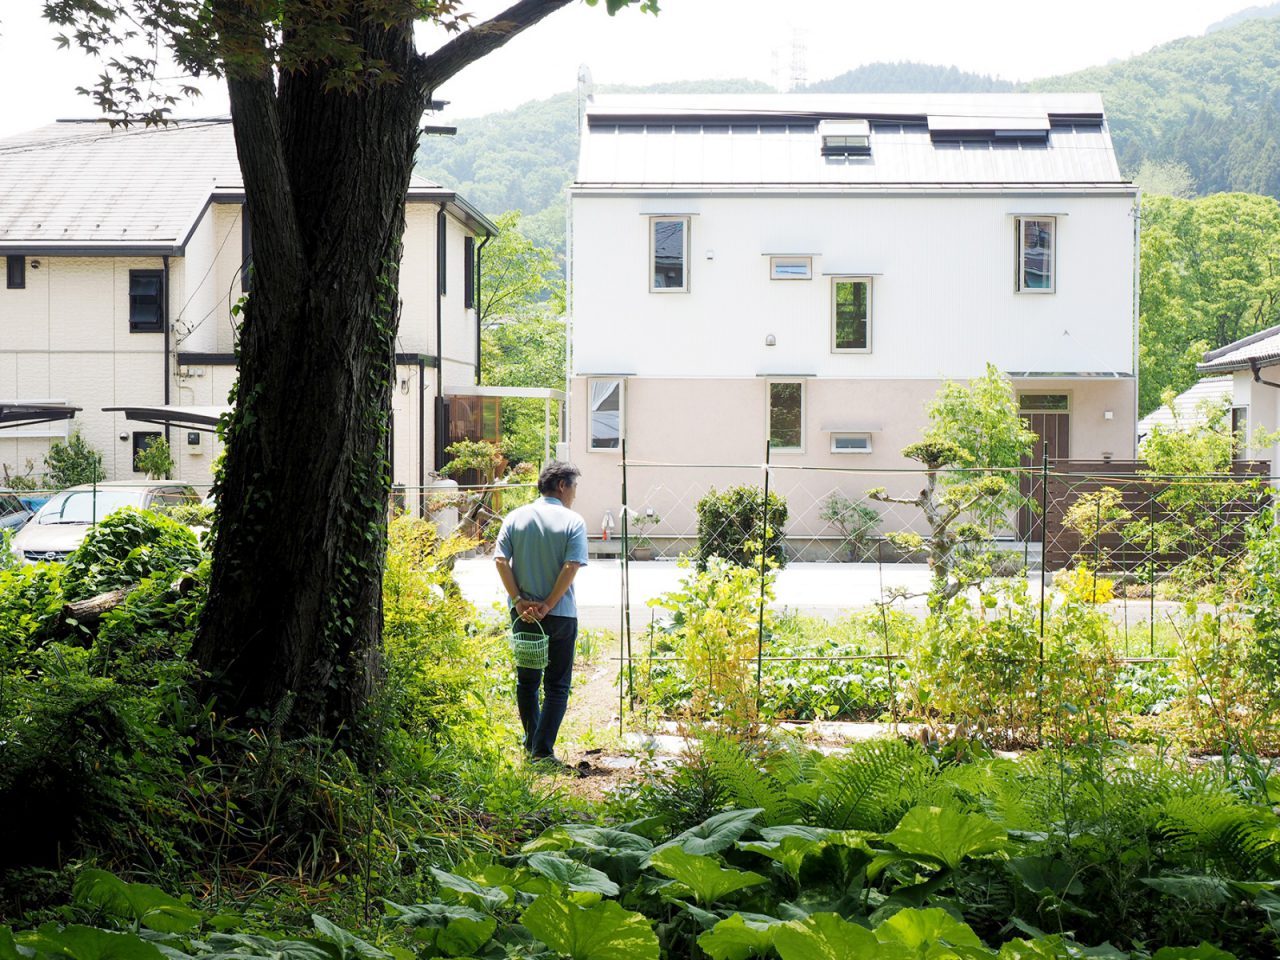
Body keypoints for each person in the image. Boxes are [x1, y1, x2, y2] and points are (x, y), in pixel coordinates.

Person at [494, 461, 588, 764]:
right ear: (562, 485)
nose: (575, 494)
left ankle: (532, 743)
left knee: (528, 681)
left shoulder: (515, 517)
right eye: (574, 486)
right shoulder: (573, 521)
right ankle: (542, 751)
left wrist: (519, 600)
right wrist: (548, 604)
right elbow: (571, 566)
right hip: (559, 615)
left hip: (524, 617)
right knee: (557, 685)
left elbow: (500, 561)